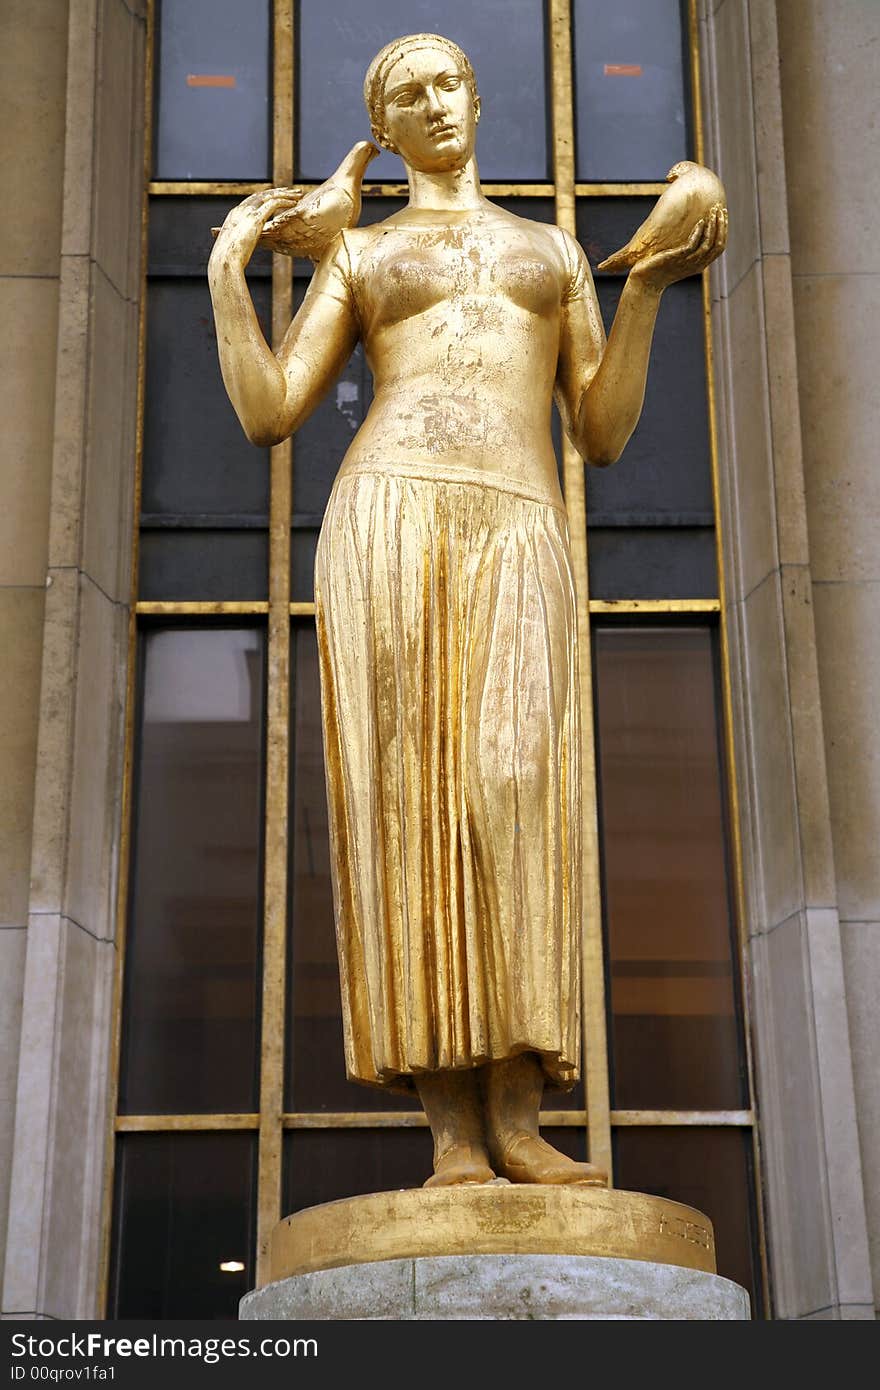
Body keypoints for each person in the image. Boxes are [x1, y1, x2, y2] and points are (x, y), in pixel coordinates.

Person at [208, 33, 726, 1188]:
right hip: (388, 520)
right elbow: (269, 409)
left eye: (447, 84)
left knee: (511, 786)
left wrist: (642, 281)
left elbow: (597, 430)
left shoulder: (549, 253)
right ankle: (451, 1138)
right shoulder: (364, 253)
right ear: (382, 131)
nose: (433, 105)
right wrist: (225, 273)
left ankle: (519, 1115)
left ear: (478, 100)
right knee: (410, 800)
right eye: (406, 95)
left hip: (520, 521)